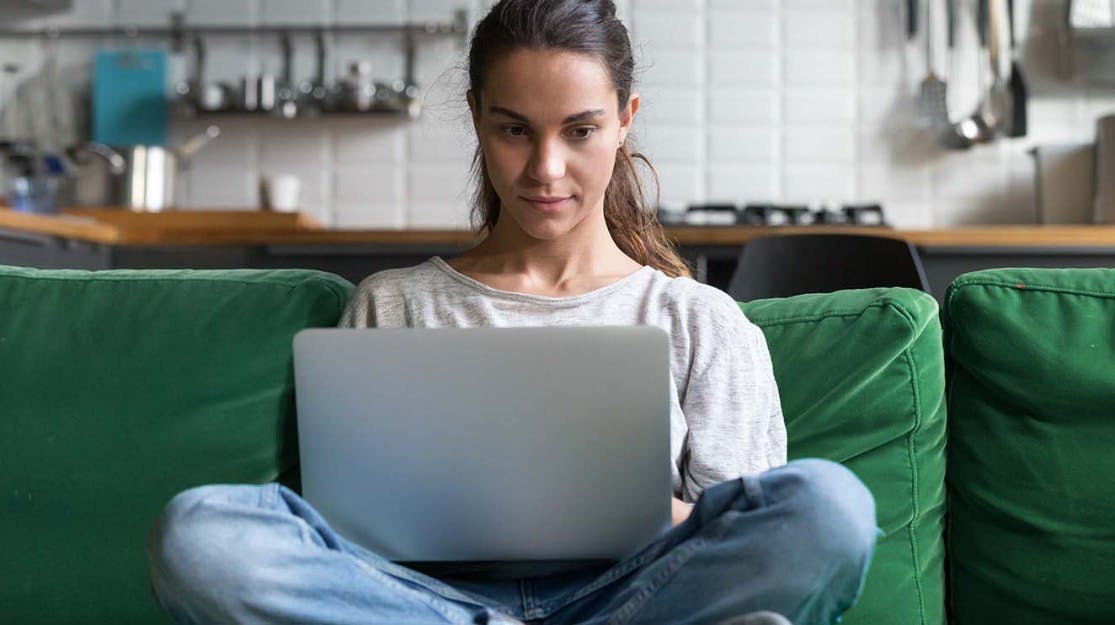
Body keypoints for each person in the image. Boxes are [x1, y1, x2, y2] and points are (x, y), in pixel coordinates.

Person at [146, 1, 878, 623]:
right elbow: (346, 541)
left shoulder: (698, 319)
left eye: (579, 130)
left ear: (624, 121)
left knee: (829, 506)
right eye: (515, 128)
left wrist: (635, 512)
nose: (545, 169)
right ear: (476, 117)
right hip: (424, 601)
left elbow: (739, 539)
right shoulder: (393, 304)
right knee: (201, 532)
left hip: (631, 598)